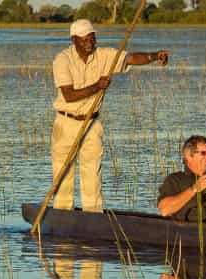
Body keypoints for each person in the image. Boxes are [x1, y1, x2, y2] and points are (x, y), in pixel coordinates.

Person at [50, 18, 168, 212]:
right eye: (85, 38)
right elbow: (69, 96)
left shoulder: (105, 55)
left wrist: (155, 56)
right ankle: (62, 216)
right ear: (74, 40)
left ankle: (93, 216)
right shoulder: (62, 59)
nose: (90, 42)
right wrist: (97, 86)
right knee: (63, 175)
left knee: (92, 174)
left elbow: (130, 58)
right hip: (66, 122)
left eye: (92, 37)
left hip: (91, 122)